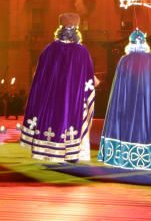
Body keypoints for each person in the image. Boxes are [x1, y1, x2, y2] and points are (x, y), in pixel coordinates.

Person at [20, 13, 95, 163]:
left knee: (51, 120)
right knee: (70, 120)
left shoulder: (49, 50)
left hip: (51, 99)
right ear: (76, 31)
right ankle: (70, 153)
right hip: (72, 100)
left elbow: (39, 78)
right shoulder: (82, 52)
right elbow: (88, 80)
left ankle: (47, 151)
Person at [98, 29, 151, 170]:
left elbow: (118, 87)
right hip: (147, 104)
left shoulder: (125, 60)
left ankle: (123, 158)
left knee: (127, 127)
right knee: (145, 126)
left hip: (127, 103)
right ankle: (147, 159)